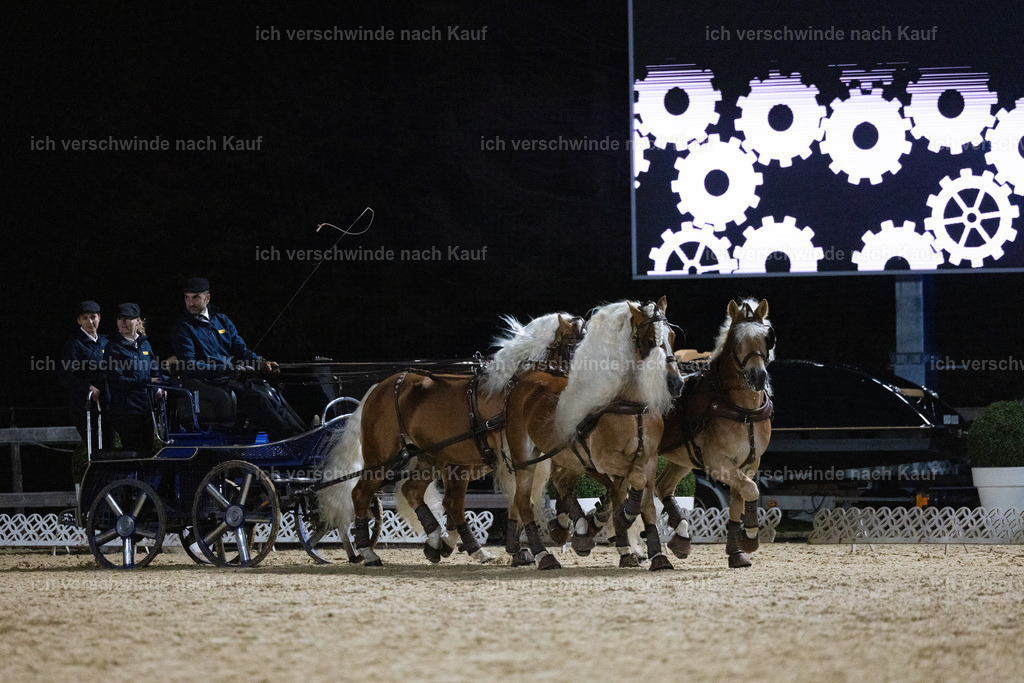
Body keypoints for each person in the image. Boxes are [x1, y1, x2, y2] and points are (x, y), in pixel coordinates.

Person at [171, 277, 304, 438]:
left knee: (269, 393)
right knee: (257, 398)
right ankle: (289, 438)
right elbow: (189, 365)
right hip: (210, 381)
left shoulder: (222, 321)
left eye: (195, 298)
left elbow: (241, 349)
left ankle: (300, 434)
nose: (190, 303)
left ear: (207, 298)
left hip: (231, 377)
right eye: (187, 298)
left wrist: (259, 363)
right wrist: (225, 369)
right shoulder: (183, 328)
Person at [105, 303, 166, 457]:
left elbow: (155, 371)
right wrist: (147, 381)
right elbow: (118, 381)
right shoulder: (113, 348)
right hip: (126, 412)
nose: (123, 322)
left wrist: (158, 388)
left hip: (146, 410)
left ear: (137, 320)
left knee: (148, 453)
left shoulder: (145, 344)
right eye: (120, 318)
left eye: (127, 318)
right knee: (134, 454)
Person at [59, 300, 114, 452]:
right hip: (86, 406)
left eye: (93, 317)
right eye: (85, 318)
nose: (90, 322)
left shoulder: (106, 343)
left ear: (99, 318)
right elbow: (66, 376)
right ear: (79, 320)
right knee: (96, 450)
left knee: (110, 448)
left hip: (107, 404)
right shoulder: (74, 345)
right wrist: (87, 387)